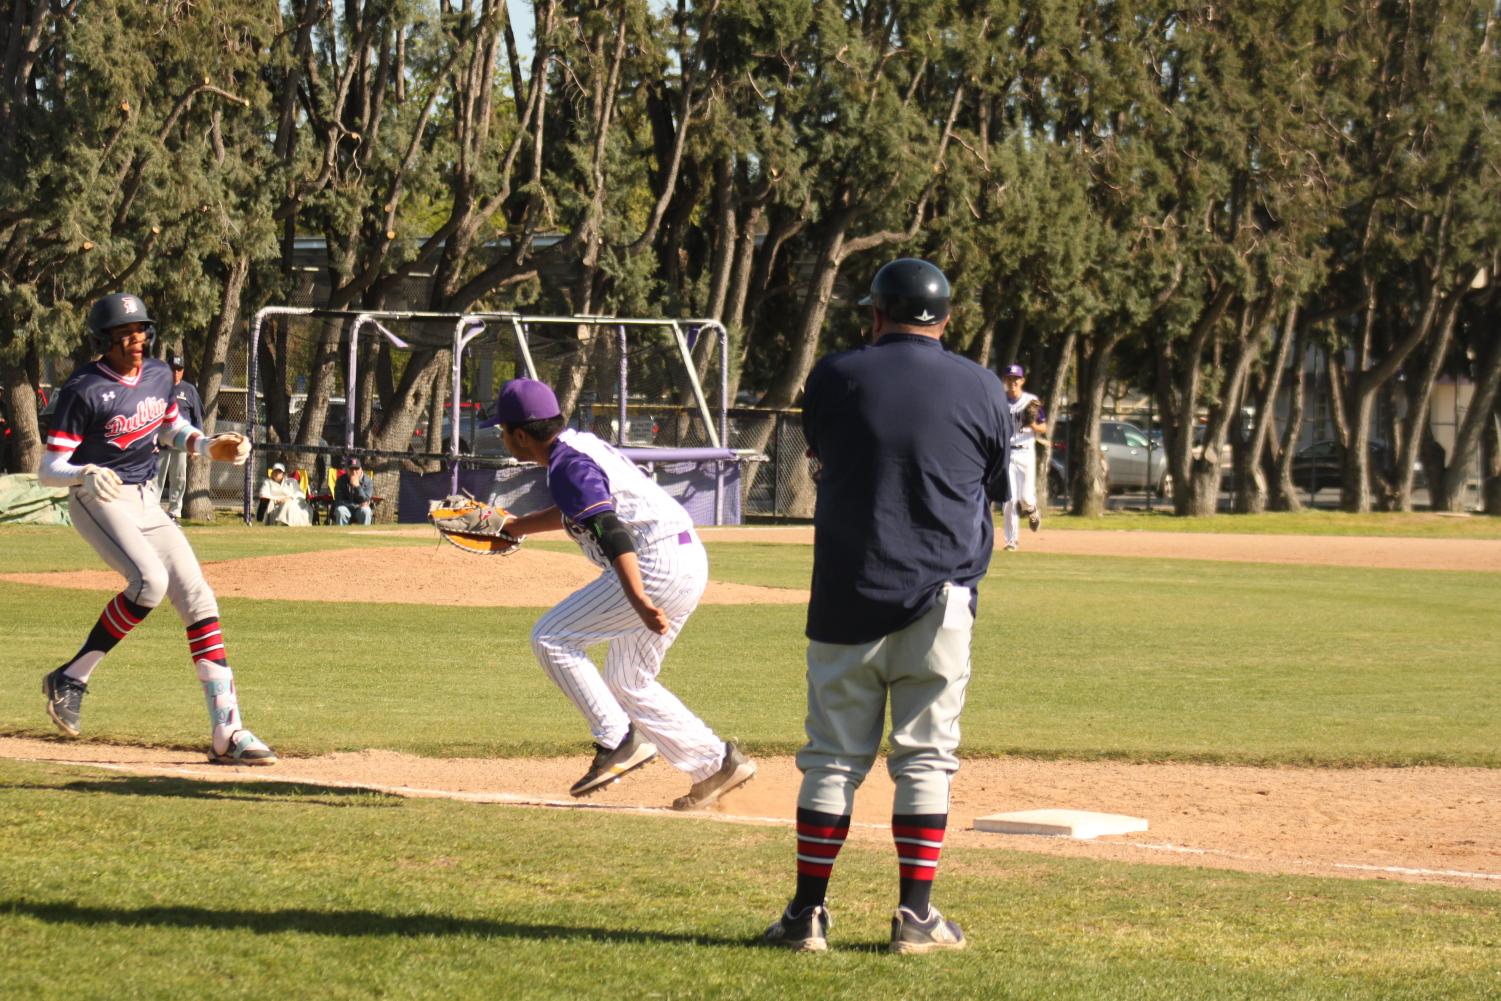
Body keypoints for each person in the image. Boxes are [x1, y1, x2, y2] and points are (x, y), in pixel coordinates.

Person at [763, 258, 1011, 954]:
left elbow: (820, 449)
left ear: (874, 314)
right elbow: (990, 481)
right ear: (946, 318)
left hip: (846, 590)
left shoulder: (836, 375)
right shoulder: (981, 383)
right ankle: (916, 918)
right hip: (942, 596)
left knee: (831, 760)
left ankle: (807, 915)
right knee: (926, 759)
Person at [492, 378, 757, 810]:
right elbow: (577, 510)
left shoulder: (567, 465)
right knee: (627, 679)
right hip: (685, 557)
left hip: (652, 564)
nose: (502, 436)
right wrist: (515, 526)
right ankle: (715, 765)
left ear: (521, 434)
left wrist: (636, 597)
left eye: (503, 429)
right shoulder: (578, 448)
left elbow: (611, 530)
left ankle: (617, 739)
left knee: (551, 637)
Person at [35, 292, 276, 765]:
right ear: (104, 340)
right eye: (125, 333)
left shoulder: (160, 373)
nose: (136, 339)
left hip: (145, 498)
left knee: (199, 599)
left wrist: (206, 445)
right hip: (97, 498)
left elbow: (167, 428)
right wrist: (82, 473)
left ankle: (228, 729)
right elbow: (49, 467)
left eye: (141, 329)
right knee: (148, 583)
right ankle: (73, 677)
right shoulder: (83, 388)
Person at [1000, 363, 1046, 551]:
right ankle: (1012, 540)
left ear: (1022, 381)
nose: (1013, 382)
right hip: (1008, 453)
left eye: (1016, 379)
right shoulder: (1000, 400)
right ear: (1005, 380)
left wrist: (1034, 425)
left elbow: (1044, 428)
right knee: (1009, 499)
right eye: (1009, 378)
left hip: (1026, 451)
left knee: (1026, 498)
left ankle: (1032, 511)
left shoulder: (1030, 401)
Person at [152, 351, 202, 523]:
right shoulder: (160, 387)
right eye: (173, 368)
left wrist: (197, 444)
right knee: (156, 477)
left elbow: (197, 419)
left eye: (179, 369)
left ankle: (174, 512)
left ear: (182, 371)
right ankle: (153, 510)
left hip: (182, 444)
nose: (175, 373)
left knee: (179, 478)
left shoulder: (189, 390)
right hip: (161, 443)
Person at [257, 461, 311, 526]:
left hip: (292, 503)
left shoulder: (292, 481)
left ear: (283, 473)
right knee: (286, 505)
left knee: (289, 504)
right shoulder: (268, 483)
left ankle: (282, 522)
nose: (277, 473)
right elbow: (263, 494)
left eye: (279, 472)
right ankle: (282, 522)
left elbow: (300, 494)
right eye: (275, 471)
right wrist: (277, 500)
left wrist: (290, 498)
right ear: (272, 473)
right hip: (276, 505)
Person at [333, 457, 374, 525]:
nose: (354, 471)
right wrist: (356, 506)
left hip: (360, 510)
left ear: (361, 469)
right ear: (347, 470)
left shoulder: (368, 481)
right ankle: (341, 535)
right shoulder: (340, 480)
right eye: (351, 469)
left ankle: (364, 534)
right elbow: (338, 501)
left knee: (366, 511)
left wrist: (357, 487)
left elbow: (366, 500)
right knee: (340, 510)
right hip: (346, 508)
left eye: (356, 468)